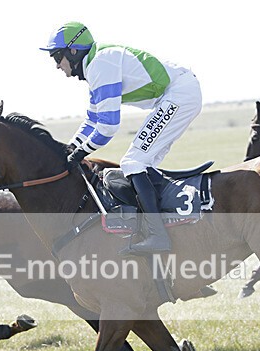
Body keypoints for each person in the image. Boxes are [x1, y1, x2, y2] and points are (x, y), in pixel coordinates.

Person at [40, 21, 202, 255]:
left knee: (133, 162)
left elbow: (107, 127)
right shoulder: (95, 64)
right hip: (177, 94)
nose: (57, 66)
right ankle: (167, 226)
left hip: (179, 94)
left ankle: (159, 236)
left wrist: (79, 154)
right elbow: (92, 120)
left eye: (57, 57)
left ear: (73, 51)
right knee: (143, 165)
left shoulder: (100, 65)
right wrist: (69, 149)